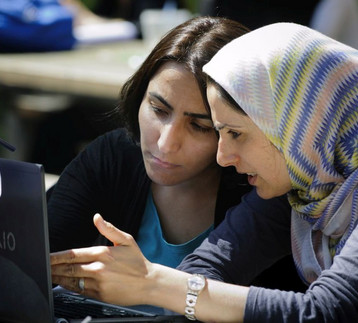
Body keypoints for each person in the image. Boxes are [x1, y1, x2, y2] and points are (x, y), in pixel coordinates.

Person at [0, 16, 304, 291]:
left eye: (200, 126)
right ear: (137, 96)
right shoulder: (115, 155)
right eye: (158, 110)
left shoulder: (265, 186)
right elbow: (13, 261)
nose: (165, 142)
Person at [49, 22, 358, 322]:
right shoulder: (304, 187)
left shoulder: (282, 179)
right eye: (158, 109)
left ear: (301, 128)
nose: (223, 156)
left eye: (233, 133)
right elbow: (206, 265)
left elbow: (331, 311)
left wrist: (153, 283)